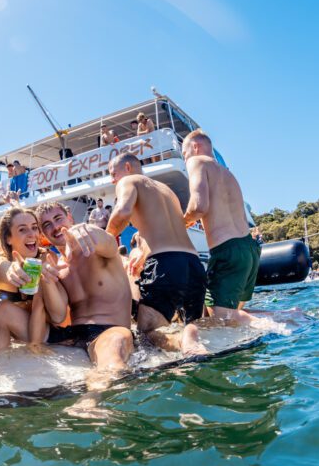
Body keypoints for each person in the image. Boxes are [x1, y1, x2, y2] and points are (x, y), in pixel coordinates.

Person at [107, 153, 207, 356]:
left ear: (127, 167)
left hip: (165, 264)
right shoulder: (166, 190)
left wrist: (104, 237)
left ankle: (182, 342)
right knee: (191, 327)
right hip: (194, 264)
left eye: (112, 173)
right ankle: (189, 341)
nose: (112, 180)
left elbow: (122, 212)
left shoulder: (129, 180)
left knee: (148, 332)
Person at [34, 202, 133, 372]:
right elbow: (58, 316)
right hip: (73, 336)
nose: (56, 227)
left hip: (109, 330)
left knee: (113, 357)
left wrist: (88, 230)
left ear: (70, 218)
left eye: (59, 219)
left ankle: (91, 397)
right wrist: (47, 279)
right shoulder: (58, 267)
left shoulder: (96, 247)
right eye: (47, 225)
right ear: (43, 234)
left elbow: (109, 243)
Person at [182, 129, 261, 325]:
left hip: (227, 251)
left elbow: (199, 206)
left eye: (184, 154)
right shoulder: (228, 173)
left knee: (221, 320)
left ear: (195, 147)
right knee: (231, 319)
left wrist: (181, 222)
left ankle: (284, 320)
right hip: (249, 249)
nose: (185, 160)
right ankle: (286, 316)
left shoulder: (196, 162)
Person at [0, 207, 54, 353]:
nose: (31, 234)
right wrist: (8, 270)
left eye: (34, 228)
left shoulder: (45, 258)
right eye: (22, 230)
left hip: (47, 334)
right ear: (8, 238)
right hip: (19, 332)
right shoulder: (1, 261)